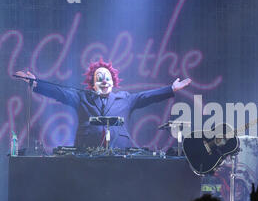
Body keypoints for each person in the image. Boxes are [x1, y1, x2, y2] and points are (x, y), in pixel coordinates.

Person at [15, 59, 191, 148]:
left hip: (120, 150)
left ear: (113, 82)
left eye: (107, 78)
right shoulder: (82, 97)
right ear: (92, 83)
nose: (104, 81)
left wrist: (171, 89)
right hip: (87, 150)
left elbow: (146, 96)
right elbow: (59, 92)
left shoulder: (125, 98)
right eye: (99, 78)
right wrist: (36, 83)